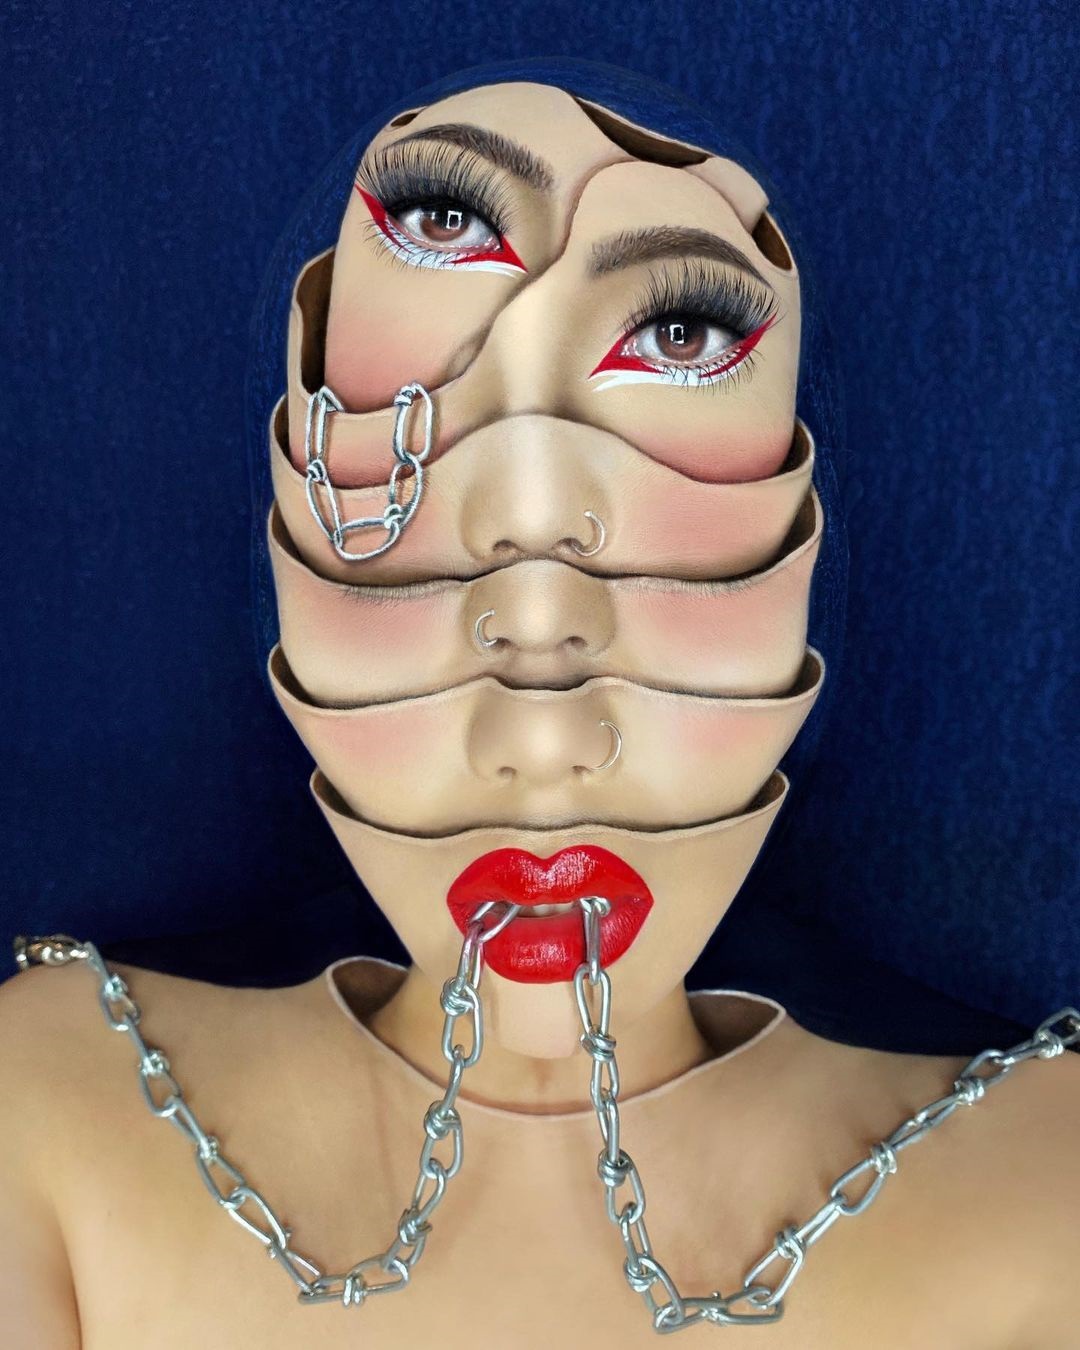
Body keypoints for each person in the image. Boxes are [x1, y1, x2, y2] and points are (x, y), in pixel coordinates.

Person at [3, 59, 1078, 1349]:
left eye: (683, 333)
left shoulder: (1044, 1192)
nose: (543, 746)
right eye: (416, 579)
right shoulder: (50, 1114)